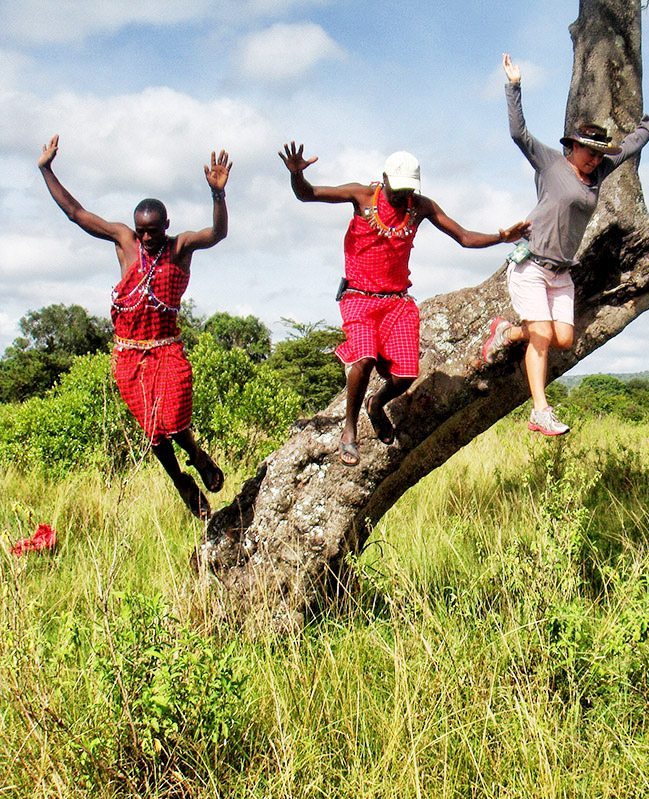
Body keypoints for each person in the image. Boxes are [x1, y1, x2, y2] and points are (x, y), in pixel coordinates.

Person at [278, 143, 530, 466]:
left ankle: (376, 404)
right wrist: (297, 175)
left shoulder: (420, 206)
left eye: (409, 189)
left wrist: (501, 237)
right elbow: (308, 194)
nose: (402, 195)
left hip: (396, 303)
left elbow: (463, 237)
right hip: (359, 298)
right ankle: (349, 431)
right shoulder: (362, 196)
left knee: (406, 375)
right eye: (398, 188)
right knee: (365, 357)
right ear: (384, 179)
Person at [481, 52, 649, 436]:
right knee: (541, 335)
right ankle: (540, 410)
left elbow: (632, 145)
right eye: (588, 152)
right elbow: (518, 133)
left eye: (598, 154)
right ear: (573, 147)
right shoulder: (551, 163)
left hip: (562, 272)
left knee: (564, 339)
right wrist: (513, 86)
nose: (593, 159)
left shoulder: (601, 170)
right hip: (532, 264)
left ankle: (506, 332)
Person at [37, 134, 231, 520]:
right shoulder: (124, 242)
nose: (145, 237)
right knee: (154, 430)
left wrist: (217, 196)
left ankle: (196, 454)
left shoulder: (180, 247)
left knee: (175, 420)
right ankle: (181, 481)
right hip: (129, 354)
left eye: (152, 231)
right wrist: (46, 169)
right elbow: (77, 213)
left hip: (167, 348)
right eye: (141, 230)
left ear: (166, 226)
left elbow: (218, 234)